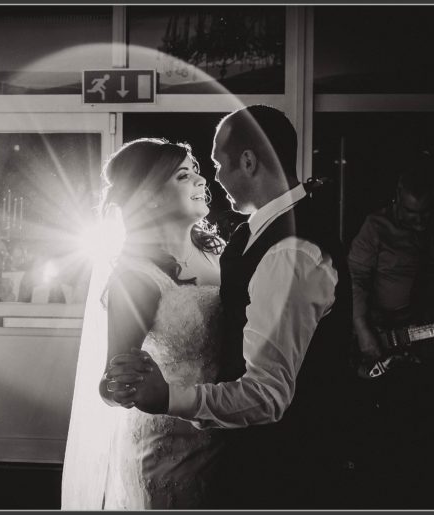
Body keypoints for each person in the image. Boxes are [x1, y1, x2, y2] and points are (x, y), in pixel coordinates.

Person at [106, 105, 353, 509]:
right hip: (191, 444)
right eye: (187, 173)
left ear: (249, 161)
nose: (212, 177)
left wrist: (168, 397)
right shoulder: (251, 239)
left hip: (278, 462)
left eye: (217, 164)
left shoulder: (288, 252)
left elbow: (267, 394)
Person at [61, 138, 227, 509]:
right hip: (169, 450)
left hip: (221, 427)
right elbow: (111, 380)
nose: (201, 181)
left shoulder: (218, 253)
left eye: (197, 171)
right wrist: (119, 388)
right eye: (184, 175)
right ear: (149, 196)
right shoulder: (136, 277)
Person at [347, 169, 434, 508]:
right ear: (397, 198)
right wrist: (363, 331)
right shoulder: (375, 227)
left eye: (425, 214)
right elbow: (354, 280)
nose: (419, 222)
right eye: (411, 214)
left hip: (427, 340)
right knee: (384, 428)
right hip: (382, 337)